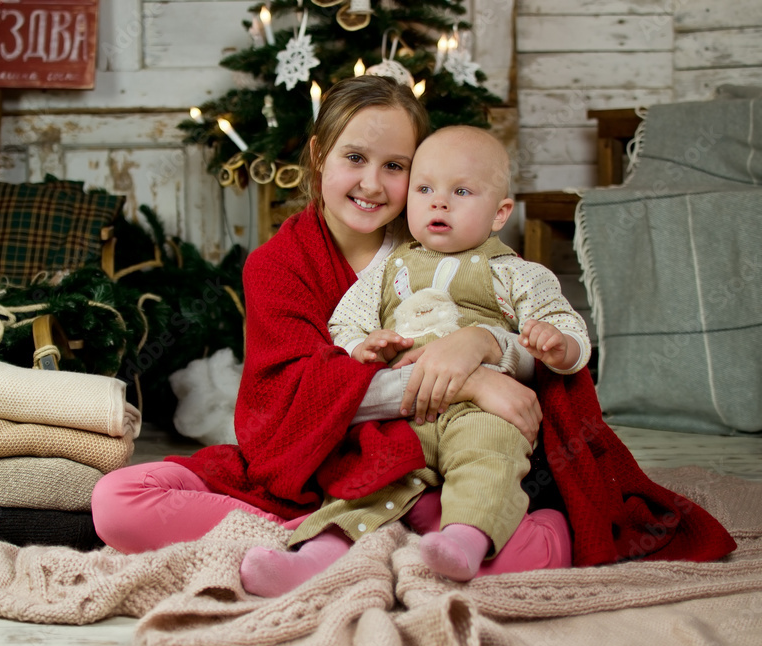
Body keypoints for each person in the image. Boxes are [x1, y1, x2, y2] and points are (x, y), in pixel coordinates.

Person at [91, 76, 572, 594]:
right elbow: (290, 396)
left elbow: (537, 331)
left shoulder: (446, 240)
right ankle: (349, 540)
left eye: (395, 167)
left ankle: (338, 549)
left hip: (422, 460)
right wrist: (466, 381)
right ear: (319, 154)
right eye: (355, 158)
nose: (371, 183)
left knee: (475, 510)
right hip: (307, 469)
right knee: (118, 499)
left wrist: (484, 343)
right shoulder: (277, 265)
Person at [282, 125, 592, 583]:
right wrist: (362, 346)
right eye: (425, 189)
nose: (439, 202)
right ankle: (316, 556)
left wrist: (555, 345)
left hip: (482, 409)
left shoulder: (518, 274)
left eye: (461, 191)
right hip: (406, 410)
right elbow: (343, 326)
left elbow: (570, 334)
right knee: (370, 469)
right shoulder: (387, 269)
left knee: (490, 457)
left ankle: (464, 540)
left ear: (499, 213)